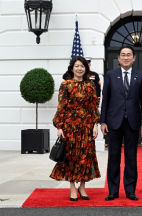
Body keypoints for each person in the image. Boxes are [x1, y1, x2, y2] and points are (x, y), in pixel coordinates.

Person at [100, 45, 142, 201]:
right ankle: (113, 190)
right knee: (113, 157)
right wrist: (103, 121)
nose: (126, 57)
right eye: (123, 55)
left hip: (133, 123)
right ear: (118, 58)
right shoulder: (110, 75)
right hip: (114, 122)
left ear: (134, 58)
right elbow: (105, 100)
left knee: (131, 158)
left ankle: (130, 190)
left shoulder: (140, 76)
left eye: (129, 55)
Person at [50, 56, 101, 202]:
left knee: (86, 156)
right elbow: (61, 107)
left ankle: (82, 187)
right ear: (72, 68)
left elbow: (93, 107)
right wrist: (59, 126)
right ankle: (72, 187)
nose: (79, 69)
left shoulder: (90, 85)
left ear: (86, 69)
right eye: (77, 66)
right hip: (69, 126)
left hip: (86, 126)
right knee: (71, 157)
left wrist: (95, 125)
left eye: (82, 66)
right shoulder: (65, 85)